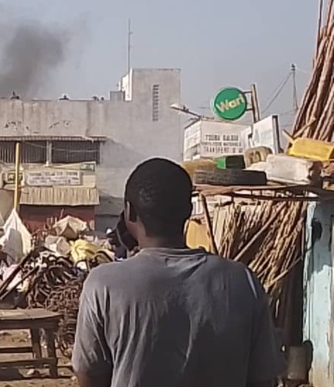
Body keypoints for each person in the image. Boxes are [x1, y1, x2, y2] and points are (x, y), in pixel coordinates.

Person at [72, 158, 285, 387]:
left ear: (129, 212)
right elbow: (262, 378)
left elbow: (89, 375)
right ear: (189, 210)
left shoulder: (103, 284)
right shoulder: (242, 281)